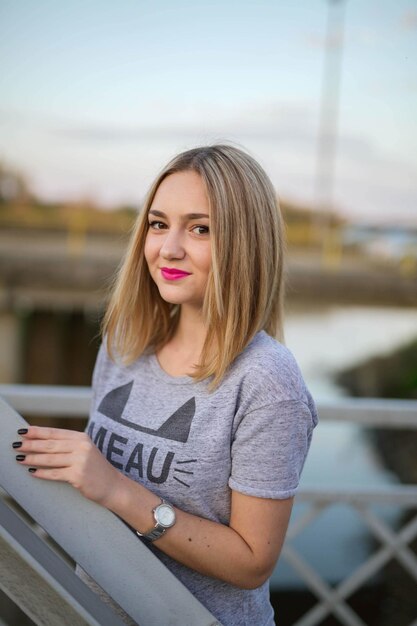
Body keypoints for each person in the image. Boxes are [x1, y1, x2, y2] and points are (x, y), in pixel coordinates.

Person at [12, 145, 318, 626]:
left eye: (200, 228)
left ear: (246, 243)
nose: (168, 248)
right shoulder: (123, 344)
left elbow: (252, 562)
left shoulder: (266, 379)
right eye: (158, 224)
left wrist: (116, 489)